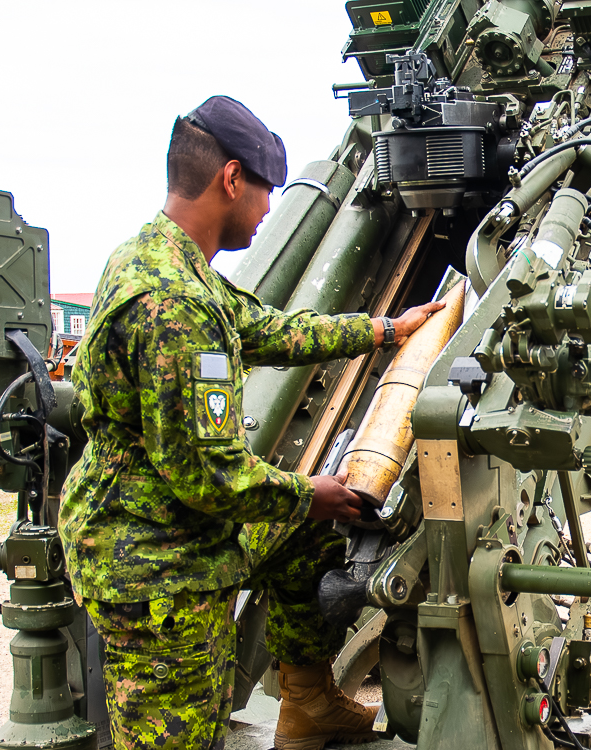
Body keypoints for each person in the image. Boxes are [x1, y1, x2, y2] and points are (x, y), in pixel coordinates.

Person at [59, 95, 444, 750]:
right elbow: (213, 481)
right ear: (231, 179)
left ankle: (307, 701)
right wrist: (311, 495)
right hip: (156, 563)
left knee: (307, 538)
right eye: (265, 192)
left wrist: (385, 328)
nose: (269, 211)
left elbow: (268, 329)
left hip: (170, 525)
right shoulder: (176, 304)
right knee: (180, 737)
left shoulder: (155, 258)